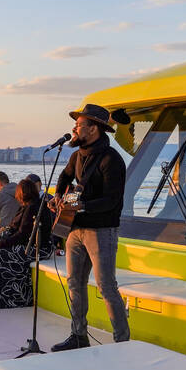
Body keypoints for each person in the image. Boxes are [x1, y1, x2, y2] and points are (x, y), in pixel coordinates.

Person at [48, 103, 129, 351]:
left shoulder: (111, 160)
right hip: (74, 228)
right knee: (74, 283)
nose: (74, 129)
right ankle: (78, 336)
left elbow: (112, 200)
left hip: (101, 230)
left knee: (106, 286)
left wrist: (81, 207)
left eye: (79, 125)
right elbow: (64, 177)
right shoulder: (77, 155)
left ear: (94, 129)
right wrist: (58, 196)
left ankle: (122, 342)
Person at [0, 179, 51, 308]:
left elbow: (23, 236)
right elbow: (16, 229)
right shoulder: (26, 206)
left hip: (37, 247)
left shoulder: (33, 208)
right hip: (28, 244)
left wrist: (1, 244)